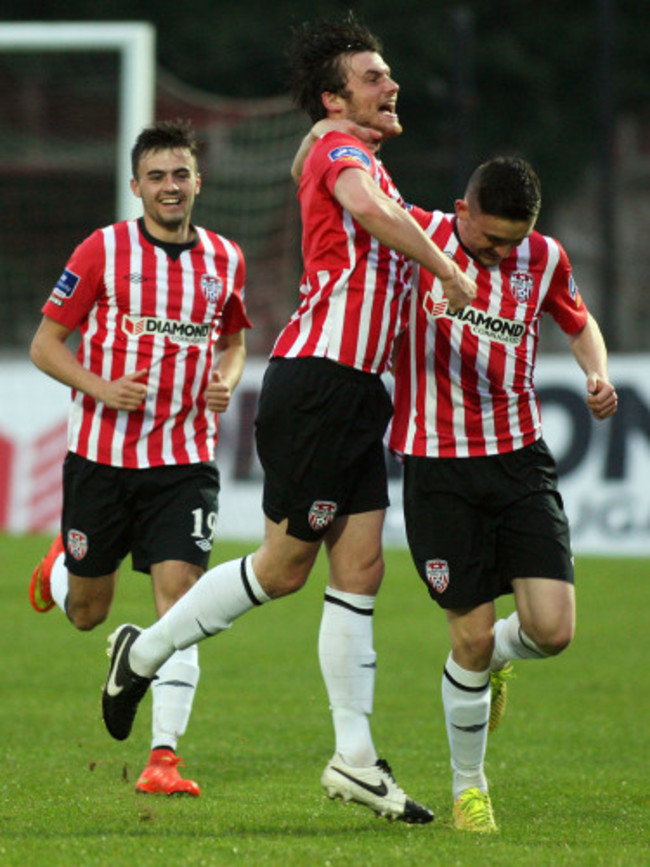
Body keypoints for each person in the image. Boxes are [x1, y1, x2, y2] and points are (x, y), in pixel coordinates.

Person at [99, 12, 476, 824]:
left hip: (360, 391)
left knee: (363, 569)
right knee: (281, 568)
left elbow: (385, 209)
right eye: (375, 76)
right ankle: (147, 648)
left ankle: (353, 757)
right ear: (337, 98)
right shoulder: (344, 152)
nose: (391, 84)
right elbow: (366, 209)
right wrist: (445, 265)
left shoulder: (365, 159)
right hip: (318, 387)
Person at [388, 156, 618, 831]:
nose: (498, 253)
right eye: (488, 240)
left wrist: (597, 374)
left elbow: (579, 323)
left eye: (511, 242)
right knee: (469, 638)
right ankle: (470, 789)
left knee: (553, 630)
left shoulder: (542, 258)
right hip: (437, 469)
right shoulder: (419, 237)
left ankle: (498, 660)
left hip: (519, 460)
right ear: (461, 211)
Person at [29, 118, 251, 797]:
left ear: (198, 181)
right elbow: (47, 344)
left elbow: (236, 338)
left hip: (184, 460)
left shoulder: (224, 258)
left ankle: (163, 759)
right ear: (136, 186)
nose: (170, 186)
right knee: (90, 611)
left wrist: (228, 377)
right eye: (156, 176)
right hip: (101, 456)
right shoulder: (102, 250)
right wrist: (101, 388)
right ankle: (63, 569)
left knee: (180, 604)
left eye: (180, 174)